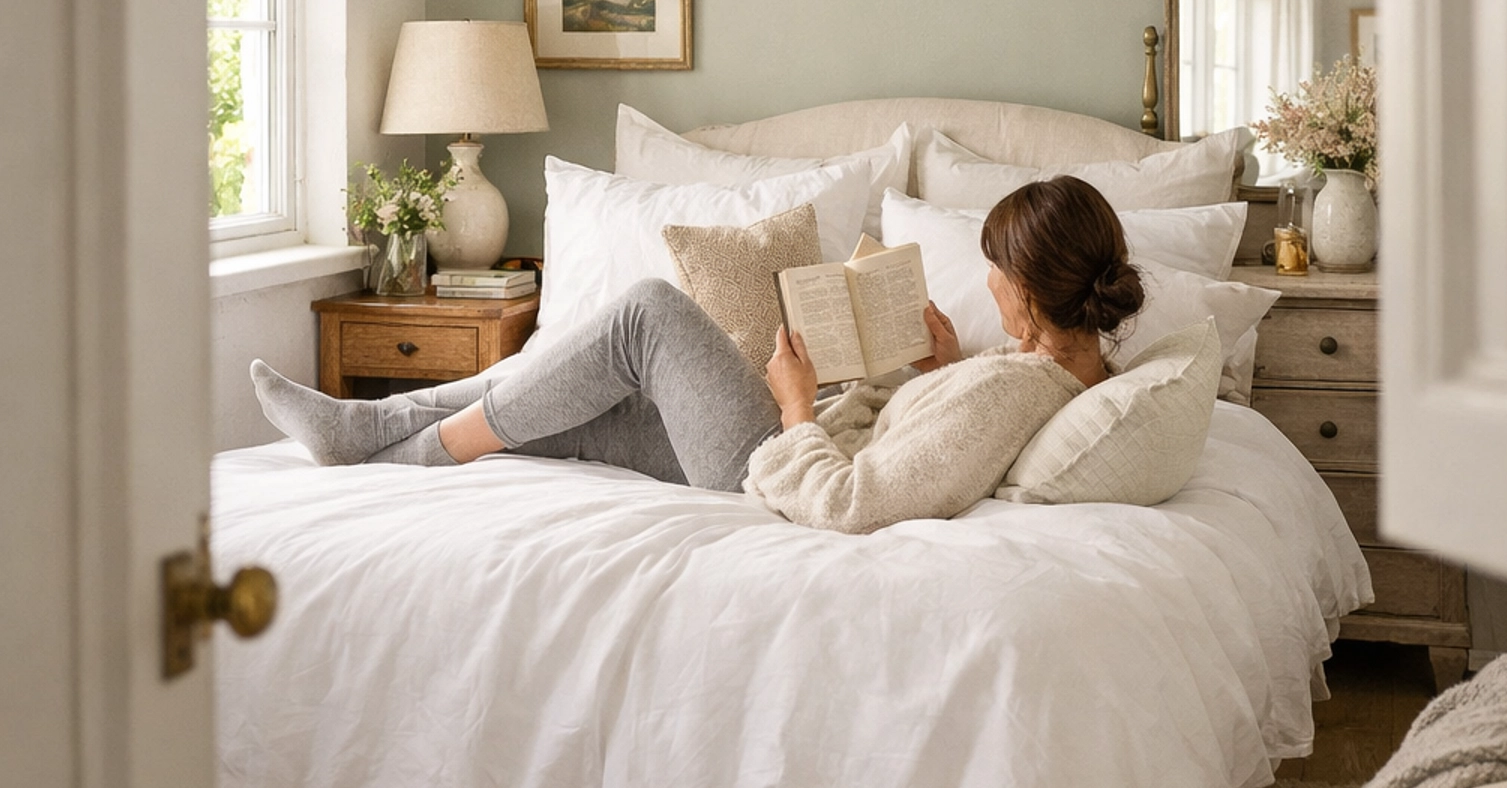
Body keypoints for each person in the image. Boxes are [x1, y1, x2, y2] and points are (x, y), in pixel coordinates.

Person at [252, 175, 1145, 537]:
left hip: (772, 458)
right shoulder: (1054, 374)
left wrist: (793, 404)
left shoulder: (1019, 391)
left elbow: (859, 501)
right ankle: (371, 430)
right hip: (796, 436)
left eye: (996, 270)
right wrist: (937, 371)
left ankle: (400, 442)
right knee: (579, 398)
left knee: (645, 313)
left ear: (1030, 287)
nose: (987, 284)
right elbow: (947, 439)